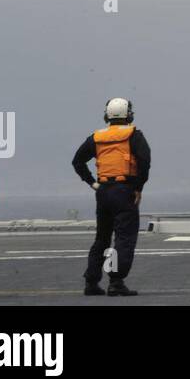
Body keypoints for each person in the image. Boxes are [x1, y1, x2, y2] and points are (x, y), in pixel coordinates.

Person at [72, 97, 151, 297]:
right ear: (129, 115)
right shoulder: (134, 135)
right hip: (125, 190)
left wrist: (92, 183)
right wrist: (138, 187)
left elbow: (77, 161)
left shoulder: (96, 137)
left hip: (104, 191)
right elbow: (144, 162)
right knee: (124, 238)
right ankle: (116, 281)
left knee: (102, 237)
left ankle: (91, 281)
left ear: (107, 115)